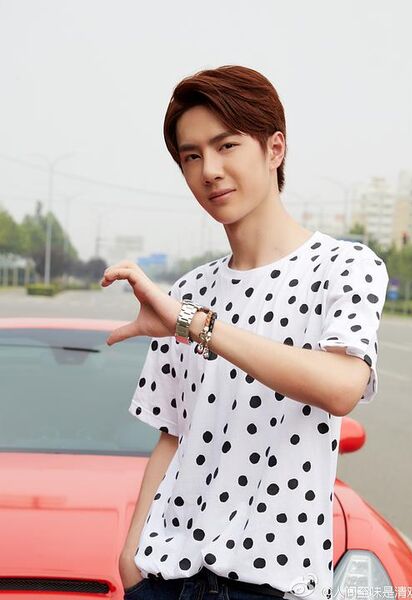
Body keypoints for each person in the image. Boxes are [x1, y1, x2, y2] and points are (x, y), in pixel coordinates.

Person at [101, 65, 389, 600]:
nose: (209, 170)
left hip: (271, 582)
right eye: (191, 156)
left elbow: (341, 387)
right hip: (166, 578)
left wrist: (196, 325)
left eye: (226, 145)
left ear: (274, 149)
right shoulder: (188, 290)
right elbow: (172, 432)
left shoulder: (345, 267)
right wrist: (132, 551)